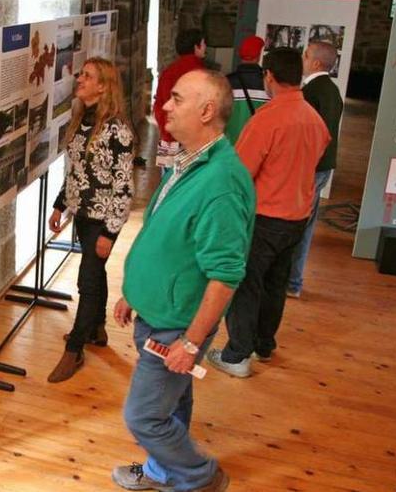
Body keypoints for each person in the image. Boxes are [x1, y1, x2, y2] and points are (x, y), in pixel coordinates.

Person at [111, 69, 255, 492]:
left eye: (176, 99)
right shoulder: (190, 161)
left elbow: (226, 275)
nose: (166, 106)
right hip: (158, 313)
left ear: (207, 111)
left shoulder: (221, 183)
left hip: (177, 325)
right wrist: (133, 292)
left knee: (143, 416)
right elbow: (164, 233)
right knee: (173, 403)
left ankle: (199, 476)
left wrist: (190, 343)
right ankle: (161, 471)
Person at [207, 48, 330, 378]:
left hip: (264, 217)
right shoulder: (314, 119)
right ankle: (264, 344)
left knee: (246, 284)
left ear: (270, 76)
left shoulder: (267, 120)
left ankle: (236, 356)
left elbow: (241, 174)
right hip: (297, 217)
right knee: (276, 284)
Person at [46, 57, 135, 383]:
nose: (79, 79)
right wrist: (59, 205)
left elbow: (125, 186)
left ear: (103, 85)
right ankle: (97, 329)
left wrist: (110, 233)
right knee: (94, 274)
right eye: (81, 74)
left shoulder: (117, 130)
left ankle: (75, 347)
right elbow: (76, 172)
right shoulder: (80, 118)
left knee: (87, 279)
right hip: (81, 213)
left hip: (102, 218)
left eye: (87, 76)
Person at [287, 41, 344, 298]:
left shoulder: (312, 93)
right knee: (306, 224)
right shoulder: (331, 91)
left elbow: (309, 135)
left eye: (306, 55)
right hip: (322, 167)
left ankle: (292, 282)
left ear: (317, 63)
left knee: (297, 224)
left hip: (311, 168)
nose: (303, 58)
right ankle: (293, 281)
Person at [153, 29, 206, 159]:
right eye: (203, 43)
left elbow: (159, 104)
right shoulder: (202, 74)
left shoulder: (168, 72)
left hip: (168, 136)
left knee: (168, 177)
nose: (205, 47)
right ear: (196, 47)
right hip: (192, 140)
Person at [224, 35, 269, 144]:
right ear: (258, 56)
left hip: (230, 147)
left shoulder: (226, 82)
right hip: (257, 147)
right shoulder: (268, 83)